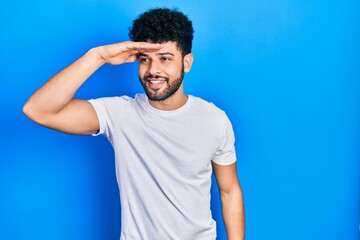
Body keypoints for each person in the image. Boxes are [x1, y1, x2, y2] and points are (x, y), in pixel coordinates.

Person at [23, 8, 245, 240]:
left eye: (165, 59)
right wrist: (98, 56)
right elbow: (38, 110)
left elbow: (229, 190)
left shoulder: (214, 120)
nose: (153, 70)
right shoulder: (119, 114)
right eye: (144, 59)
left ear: (186, 62)